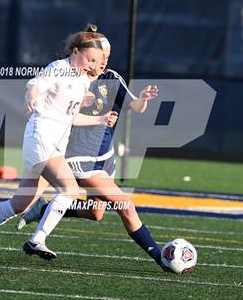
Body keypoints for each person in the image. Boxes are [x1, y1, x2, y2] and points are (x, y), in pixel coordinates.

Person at [0, 25, 118, 259]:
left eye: (95, 61)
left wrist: (99, 118)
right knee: (70, 189)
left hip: (53, 143)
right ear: (75, 51)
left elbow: (71, 117)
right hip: (41, 138)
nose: (91, 65)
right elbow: (34, 85)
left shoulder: (80, 80)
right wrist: (32, 98)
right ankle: (37, 239)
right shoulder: (60, 68)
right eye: (90, 59)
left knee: (20, 204)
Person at [16, 29, 167, 271]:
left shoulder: (112, 78)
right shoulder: (72, 77)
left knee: (96, 213)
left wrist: (144, 98)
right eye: (98, 56)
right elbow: (43, 94)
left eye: (106, 57)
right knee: (125, 206)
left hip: (105, 157)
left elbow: (135, 107)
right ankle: (162, 258)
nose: (102, 61)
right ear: (87, 55)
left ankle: (45, 208)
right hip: (80, 159)